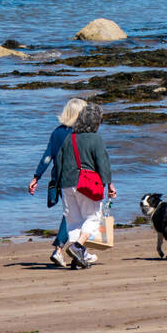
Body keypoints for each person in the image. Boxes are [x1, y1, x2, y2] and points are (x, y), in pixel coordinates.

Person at [52, 101, 116, 269]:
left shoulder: (69, 138)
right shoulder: (96, 139)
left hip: (66, 183)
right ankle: (77, 246)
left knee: (73, 221)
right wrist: (109, 184)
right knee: (93, 218)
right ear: (95, 122)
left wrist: (57, 184)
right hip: (86, 184)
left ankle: (77, 259)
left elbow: (58, 162)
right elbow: (103, 163)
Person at [27, 97, 87, 268]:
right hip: (78, 178)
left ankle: (73, 250)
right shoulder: (81, 134)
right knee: (78, 215)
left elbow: (47, 156)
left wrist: (36, 177)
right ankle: (63, 249)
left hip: (59, 178)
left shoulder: (57, 132)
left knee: (71, 213)